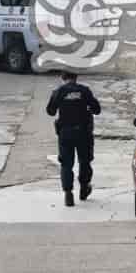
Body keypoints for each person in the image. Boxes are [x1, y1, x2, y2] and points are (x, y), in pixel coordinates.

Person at [46, 71, 101, 207]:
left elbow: (50, 111)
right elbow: (97, 109)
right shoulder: (84, 91)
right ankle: (84, 188)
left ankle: (68, 194)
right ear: (76, 77)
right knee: (85, 161)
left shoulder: (59, 91)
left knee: (66, 164)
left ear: (62, 78)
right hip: (83, 132)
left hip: (66, 133)